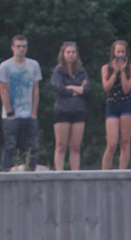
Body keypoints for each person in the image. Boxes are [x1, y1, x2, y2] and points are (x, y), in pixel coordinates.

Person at [0, 34, 41, 171]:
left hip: (28, 113)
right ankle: (5, 173)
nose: (21, 49)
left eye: (24, 46)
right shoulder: (5, 66)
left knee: (33, 146)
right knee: (10, 145)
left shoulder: (33, 65)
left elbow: (36, 90)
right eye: (18, 46)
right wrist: (9, 112)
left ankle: (31, 172)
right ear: (12, 48)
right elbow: (3, 90)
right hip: (11, 114)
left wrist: (34, 112)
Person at [50, 41, 90, 171]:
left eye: (73, 52)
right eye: (68, 52)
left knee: (76, 146)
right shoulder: (58, 71)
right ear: (63, 54)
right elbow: (60, 89)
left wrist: (71, 87)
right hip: (62, 110)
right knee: (61, 145)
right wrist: (78, 89)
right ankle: (59, 173)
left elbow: (87, 89)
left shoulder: (81, 71)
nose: (71, 55)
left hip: (78, 110)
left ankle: (75, 173)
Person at [101, 40, 131, 170]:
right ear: (114, 53)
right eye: (118, 52)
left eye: (123, 52)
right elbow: (106, 87)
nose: (120, 54)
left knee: (125, 141)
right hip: (112, 104)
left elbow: (126, 89)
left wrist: (122, 71)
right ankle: (104, 173)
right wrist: (115, 72)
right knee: (112, 143)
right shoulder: (106, 68)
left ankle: (123, 172)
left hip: (127, 104)